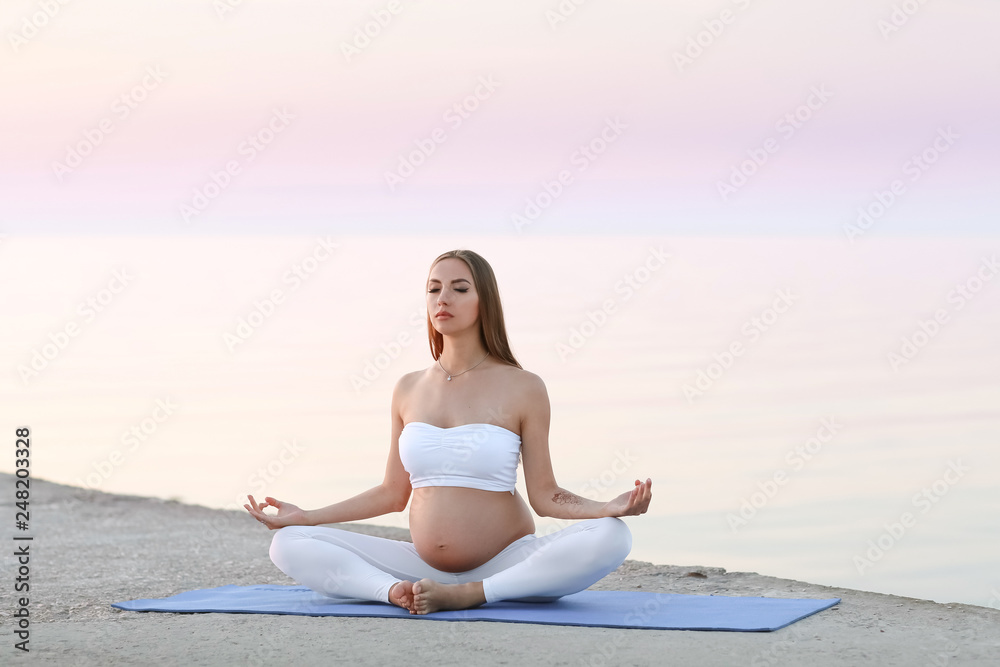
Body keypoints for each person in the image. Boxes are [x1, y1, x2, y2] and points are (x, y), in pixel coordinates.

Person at [244, 249, 652, 614]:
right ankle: (394, 592)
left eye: (459, 288)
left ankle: (476, 593)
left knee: (612, 536)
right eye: (433, 289)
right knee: (289, 542)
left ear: (484, 302)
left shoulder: (524, 387)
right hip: (420, 564)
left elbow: (545, 496)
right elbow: (392, 492)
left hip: (508, 563)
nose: (443, 299)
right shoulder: (408, 387)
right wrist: (307, 517)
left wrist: (604, 508)